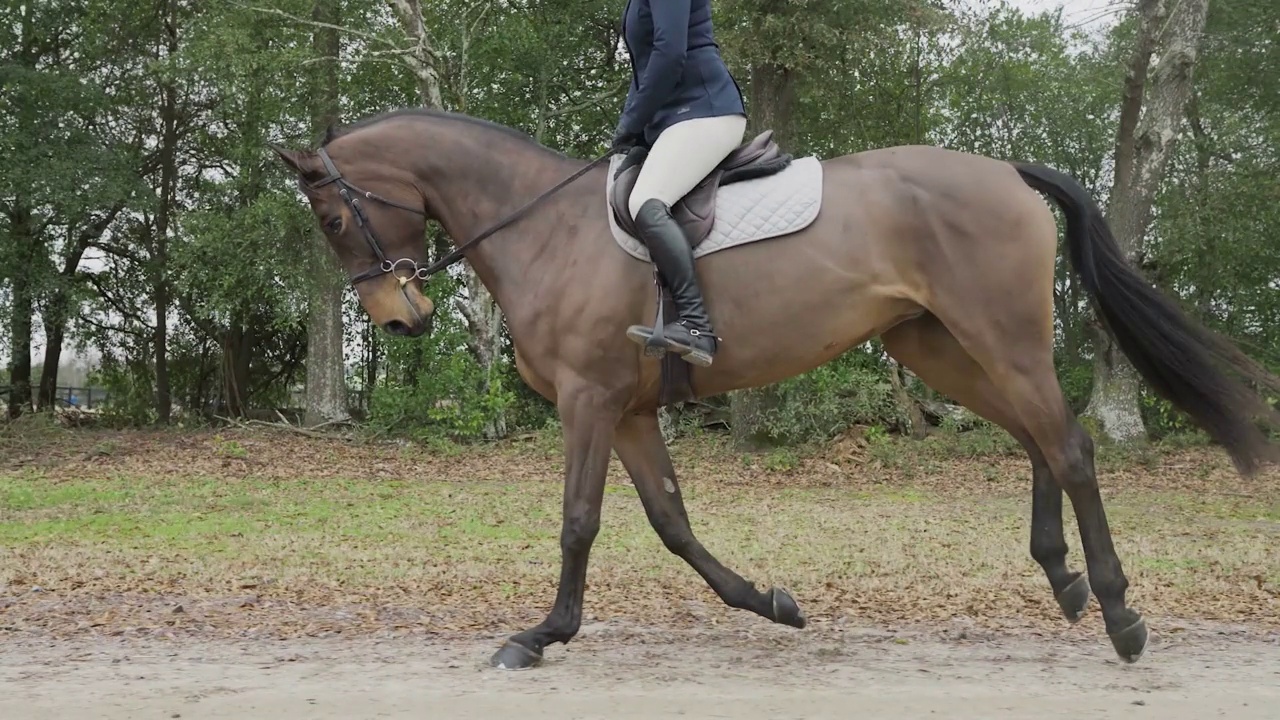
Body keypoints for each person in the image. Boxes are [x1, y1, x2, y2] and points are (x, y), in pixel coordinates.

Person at [611, 0, 747, 368]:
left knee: (645, 200)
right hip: (672, 121)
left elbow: (670, 55)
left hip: (705, 110)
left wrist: (634, 121)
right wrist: (629, 126)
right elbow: (643, 71)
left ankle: (697, 326)